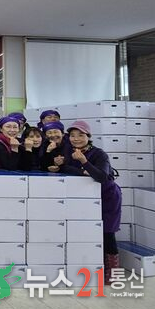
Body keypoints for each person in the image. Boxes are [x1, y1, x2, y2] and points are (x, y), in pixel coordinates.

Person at [60, 120, 122, 283]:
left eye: (81, 135)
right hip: (85, 198)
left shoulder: (99, 154)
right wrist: (83, 171)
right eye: (73, 136)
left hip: (107, 197)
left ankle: (113, 273)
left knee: (107, 233)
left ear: (88, 136)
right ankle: (98, 268)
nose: (76, 139)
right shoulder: (69, 151)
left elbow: (101, 176)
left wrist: (84, 162)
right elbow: (66, 168)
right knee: (89, 231)